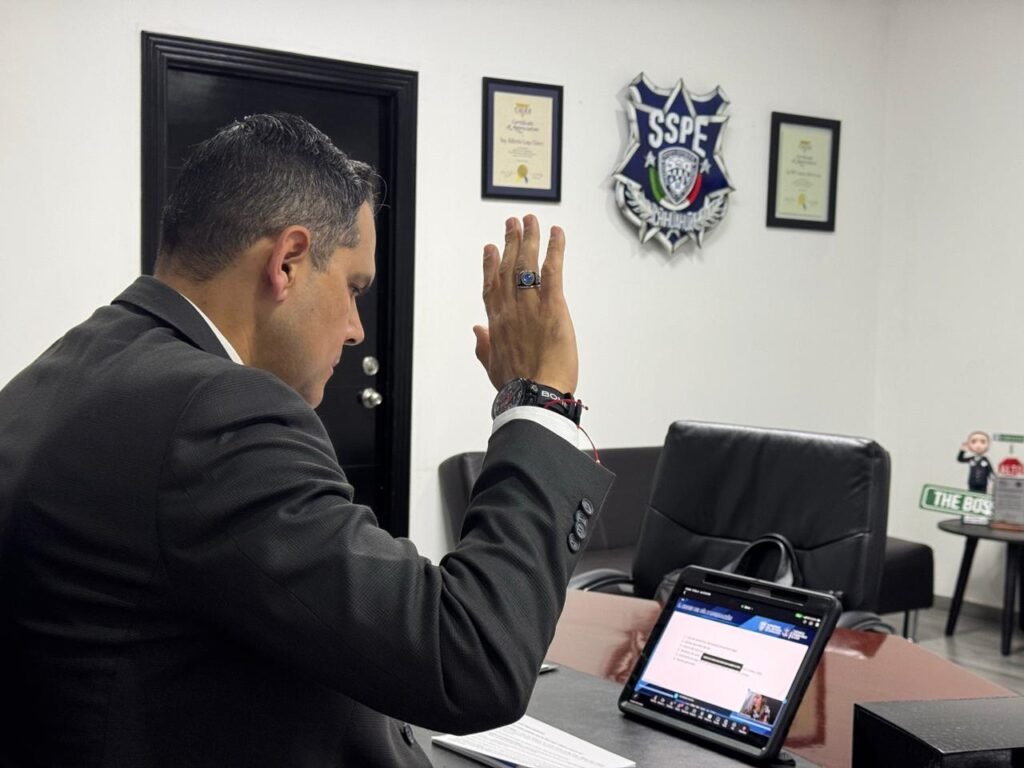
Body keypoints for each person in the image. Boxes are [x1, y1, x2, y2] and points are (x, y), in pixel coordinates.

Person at [0, 113, 612, 767]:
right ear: (288, 261)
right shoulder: (216, 413)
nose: (355, 328)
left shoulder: (59, 373)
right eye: (353, 288)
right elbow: (471, 660)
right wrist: (541, 403)